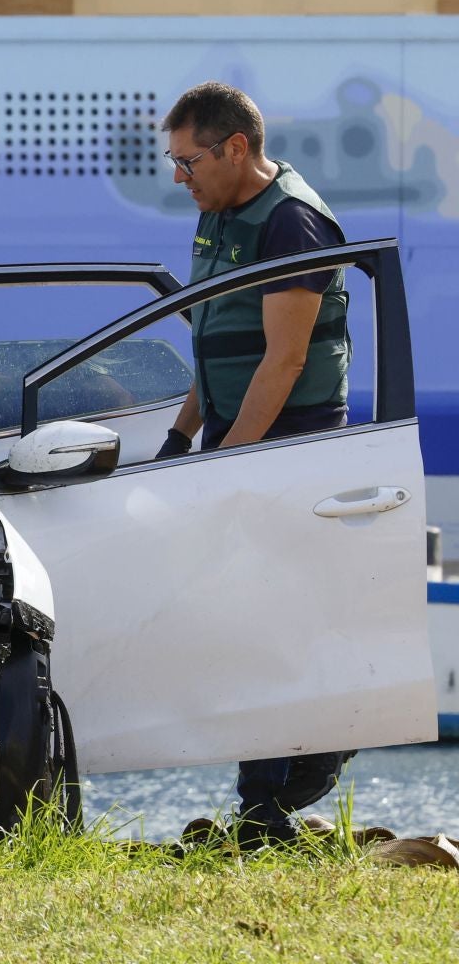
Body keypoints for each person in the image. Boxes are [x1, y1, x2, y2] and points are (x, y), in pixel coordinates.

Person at [155, 81, 353, 846]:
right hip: (239, 444)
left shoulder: (291, 224)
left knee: (272, 624)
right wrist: (179, 442)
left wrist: (225, 467)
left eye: (189, 160)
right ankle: (264, 803)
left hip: (286, 450)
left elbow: (284, 360)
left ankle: (277, 797)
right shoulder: (220, 214)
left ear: (236, 147)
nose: (182, 177)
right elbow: (218, 345)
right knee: (245, 623)